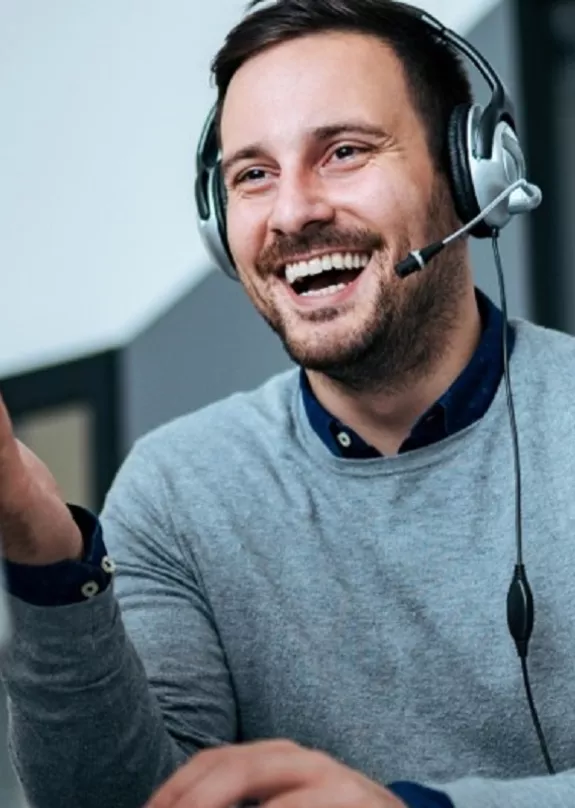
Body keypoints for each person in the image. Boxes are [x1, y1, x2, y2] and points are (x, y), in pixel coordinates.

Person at [1, 1, 575, 807]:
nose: (294, 212)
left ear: (470, 173)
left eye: (342, 152)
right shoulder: (176, 489)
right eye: (253, 174)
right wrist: (39, 545)